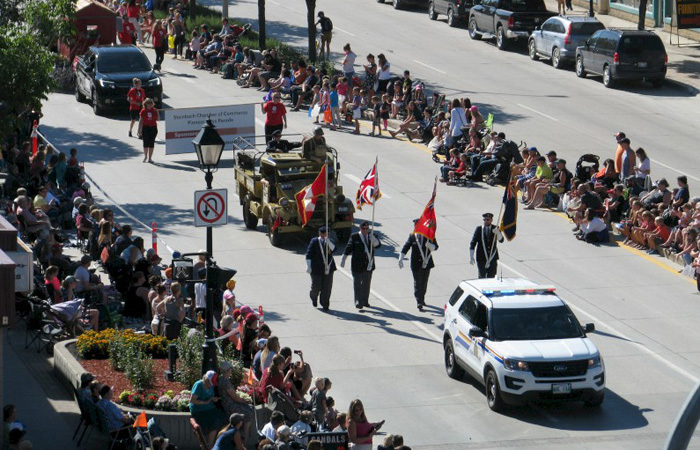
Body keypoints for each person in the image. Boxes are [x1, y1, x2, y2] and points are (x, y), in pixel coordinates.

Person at [341, 221, 381, 309]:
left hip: (368, 264)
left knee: (366, 284)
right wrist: (343, 258)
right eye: (363, 229)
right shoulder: (355, 236)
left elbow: (378, 246)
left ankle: (365, 301)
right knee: (357, 283)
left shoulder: (372, 236)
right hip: (357, 264)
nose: (365, 230)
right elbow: (348, 248)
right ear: (360, 228)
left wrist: (373, 239)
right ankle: (358, 301)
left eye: (367, 229)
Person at [399, 224, 438, 310]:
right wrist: (401, 258)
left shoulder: (429, 236)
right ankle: (419, 301)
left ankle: (422, 298)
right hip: (416, 264)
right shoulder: (412, 236)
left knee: (424, 283)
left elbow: (436, 247)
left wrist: (431, 246)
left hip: (426, 263)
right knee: (417, 282)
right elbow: (406, 247)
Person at [190, 371, 227, 448]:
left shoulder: (211, 386)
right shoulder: (199, 385)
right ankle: (210, 445)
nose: (211, 385)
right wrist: (204, 402)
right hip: (199, 410)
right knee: (214, 421)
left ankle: (215, 443)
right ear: (206, 379)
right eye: (210, 383)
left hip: (210, 407)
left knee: (224, 418)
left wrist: (212, 399)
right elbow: (192, 400)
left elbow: (210, 398)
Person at [218, 361, 254, 440]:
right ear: (227, 370)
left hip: (227, 403)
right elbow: (235, 398)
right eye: (230, 369)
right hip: (230, 405)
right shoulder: (225, 382)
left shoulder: (221, 379)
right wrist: (246, 401)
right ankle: (244, 438)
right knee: (249, 412)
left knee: (249, 408)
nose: (231, 370)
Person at [305, 226, 337, 310]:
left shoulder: (331, 241)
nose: (325, 235)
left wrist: (328, 242)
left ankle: (325, 303)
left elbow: (334, 249)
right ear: (320, 233)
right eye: (323, 233)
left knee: (327, 287)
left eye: (327, 233)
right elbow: (308, 254)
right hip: (316, 268)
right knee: (316, 286)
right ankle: (313, 297)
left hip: (328, 268)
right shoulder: (315, 241)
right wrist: (308, 266)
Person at [469, 213, 504, 278]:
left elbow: (501, 240)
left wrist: (498, 233)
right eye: (484, 220)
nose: (486, 221)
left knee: (492, 277)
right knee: (482, 277)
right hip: (481, 258)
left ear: (491, 220)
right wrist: (471, 256)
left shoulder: (495, 228)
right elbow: (473, 243)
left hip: (492, 258)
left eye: (488, 220)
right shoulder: (479, 229)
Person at [137, 98, 159, 163]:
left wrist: (157, 112)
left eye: (151, 103)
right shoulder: (143, 111)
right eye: (148, 103)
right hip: (145, 127)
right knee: (146, 143)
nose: (150, 105)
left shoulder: (154, 110)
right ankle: (145, 156)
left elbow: (158, 119)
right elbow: (141, 120)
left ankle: (150, 158)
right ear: (145, 104)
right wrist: (139, 129)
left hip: (153, 128)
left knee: (151, 143)